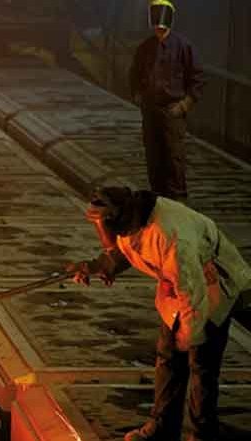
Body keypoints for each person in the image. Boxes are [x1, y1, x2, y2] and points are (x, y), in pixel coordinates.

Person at [68, 186, 251, 441]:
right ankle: (163, 427)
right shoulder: (134, 218)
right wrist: (98, 266)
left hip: (213, 285)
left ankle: (202, 432)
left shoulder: (171, 235)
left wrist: (190, 334)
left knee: (201, 365)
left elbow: (193, 291)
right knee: (168, 357)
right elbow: (124, 250)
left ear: (119, 218)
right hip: (180, 286)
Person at [128, 0, 205, 203]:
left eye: (162, 29)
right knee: (154, 157)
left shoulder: (183, 46)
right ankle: (158, 200)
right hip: (151, 110)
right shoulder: (145, 47)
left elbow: (198, 78)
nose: (159, 32)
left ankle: (178, 202)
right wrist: (138, 95)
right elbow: (134, 73)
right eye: (157, 29)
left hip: (172, 111)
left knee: (174, 157)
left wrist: (184, 104)